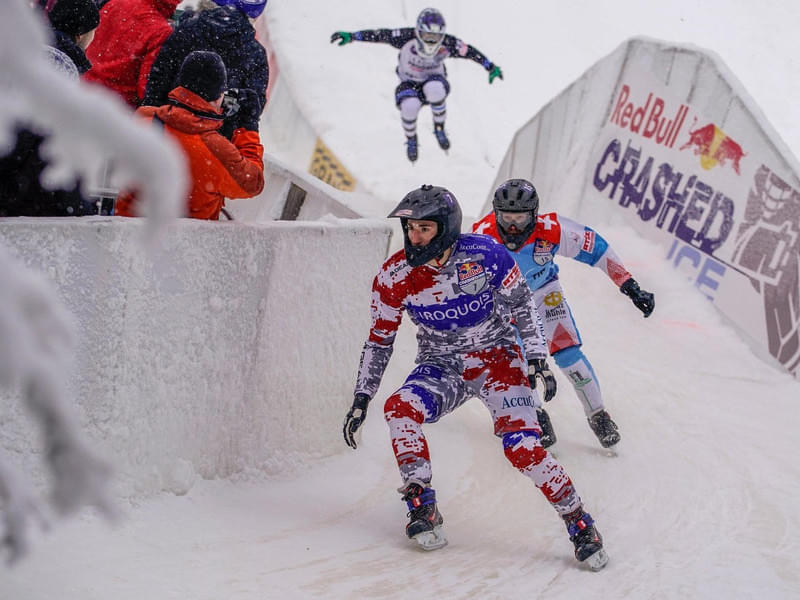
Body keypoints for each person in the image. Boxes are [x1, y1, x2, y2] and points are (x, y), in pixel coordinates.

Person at [342, 185, 608, 570]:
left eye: (424, 229)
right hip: (441, 366)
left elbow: (523, 307)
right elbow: (379, 340)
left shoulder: (486, 254)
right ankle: (421, 505)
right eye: (410, 229)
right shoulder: (393, 275)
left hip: (498, 360)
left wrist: (536, 359)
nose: (415, 238)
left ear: (446, 229)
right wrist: (362, 396)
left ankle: (580, 522)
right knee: (399, 409)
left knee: (522, 449)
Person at [473, 179, 655, 448]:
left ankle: (598, 415)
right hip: (505, 302)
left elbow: (599, 250)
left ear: (534, 216)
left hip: (545, 293)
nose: (513, 226)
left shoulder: (553, 230)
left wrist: (630, 286)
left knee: (568, 354)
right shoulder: (482, 236)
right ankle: (535, 413)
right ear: (496, 214)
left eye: (520, 218)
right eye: (507, 217)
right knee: (516, 359)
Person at [331, 7, 503, 163]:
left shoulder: (448, 44)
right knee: (409, 106)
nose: (430, 41)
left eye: (435, 37)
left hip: (434, 80)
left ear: (441, 36)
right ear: (419, 32)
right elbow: (381, 35)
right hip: (409, 84)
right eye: (427, 36)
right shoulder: (405, 36)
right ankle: (411, 138)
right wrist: (353, 36)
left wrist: (489, 66)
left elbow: (469, 52)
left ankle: (439, 128)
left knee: (435, 91)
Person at [114, 51, 264, 220]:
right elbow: (253, 183)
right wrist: (248, 126)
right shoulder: (217, 150)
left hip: (127, 237)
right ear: (218, 96)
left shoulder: (142, 121)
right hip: (187, 243)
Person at [0, 0, 100, 217]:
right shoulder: (59, 71)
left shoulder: (28, 58)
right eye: (94, 32)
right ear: (81, 34)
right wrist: (81, 211)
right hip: (32, 209)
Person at [142, 0, 269, 139]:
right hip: (214, 141)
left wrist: (151, 116)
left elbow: (158, 78)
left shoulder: (187, 31)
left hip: (168, 127)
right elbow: (253, 105)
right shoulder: (255, 54)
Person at [83, 0, 181, 108]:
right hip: (117, 106)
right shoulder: (161, 30)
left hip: (82, 87)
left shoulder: (115, 3)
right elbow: (145, 87)